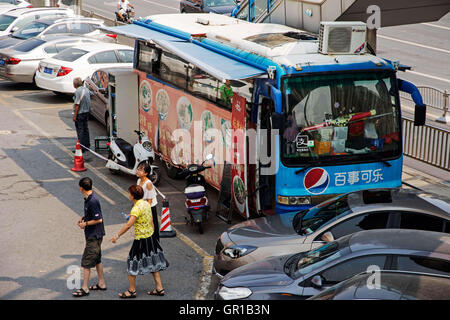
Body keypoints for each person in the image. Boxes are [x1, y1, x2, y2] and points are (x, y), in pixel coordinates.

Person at [111, 185, 168, 298]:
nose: (129, 195)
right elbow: (151, 220)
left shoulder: (136, 208)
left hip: (140, 240)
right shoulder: (146, 203)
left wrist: (117, 236)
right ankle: (159, 288)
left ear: (132, 196)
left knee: (132, 261)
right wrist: (151, 232)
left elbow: (128, 225)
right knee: (154, 262)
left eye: (129, 193)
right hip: (150, 238)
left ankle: (132, 290)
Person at [73, 177, 107, 297]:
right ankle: (101, 283)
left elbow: (99, 219)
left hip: (94, 235)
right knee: (97, 259)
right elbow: (93, 214)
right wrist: (84, 217)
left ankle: (85, 288)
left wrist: (85, 224)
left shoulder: (92, 200)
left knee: (86, 262)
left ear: (81, 188)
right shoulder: (89, 199)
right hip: (93, 234)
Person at [136, 162, 159, 242]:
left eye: (140, 170)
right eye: (138, 169)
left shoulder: (148, 184)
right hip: (142, 207)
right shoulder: (139, 181)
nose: (138, 171)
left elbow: (149, 201)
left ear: (146, 173)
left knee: (152, 229)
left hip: (149, 209)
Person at [73, 77, 92, 153]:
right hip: (86, 112)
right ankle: (87, 145)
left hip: (80, 113)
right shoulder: (86, 89)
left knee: (80, 130)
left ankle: (81, 147)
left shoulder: (78, 91)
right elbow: (92, 95)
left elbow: (77, 104)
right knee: (85, 129)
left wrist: (75, 115)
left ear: (75, 84)